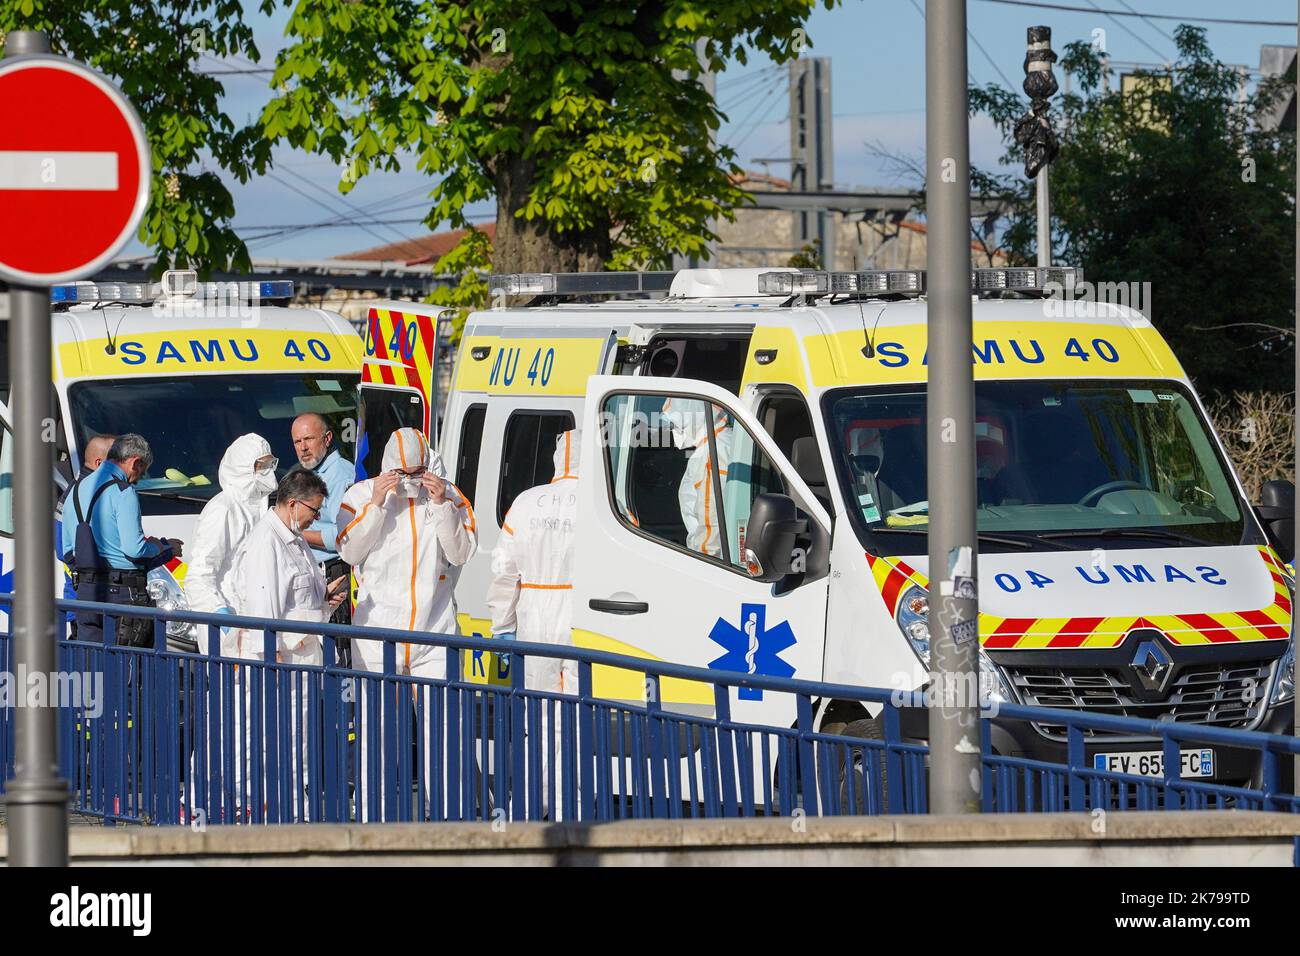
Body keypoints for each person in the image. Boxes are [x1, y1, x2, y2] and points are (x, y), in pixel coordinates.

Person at [336, 427, 477, 819]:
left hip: (435, 630)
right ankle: (371, 818)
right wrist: (379, 504)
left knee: (444, 732)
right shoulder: (361, 495)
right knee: (376, 734)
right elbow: (349, 550)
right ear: (387, 468)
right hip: (379, 629)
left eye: (417, 472)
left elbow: (462, 552)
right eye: (403, 474)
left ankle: (450, 820)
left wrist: (442, 504)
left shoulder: (449, 494)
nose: (410, 482)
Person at [228, 470, 346, 817]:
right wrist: (273, 661)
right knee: (288, 741)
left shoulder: (291, 538)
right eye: (314, 509)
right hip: (284, 662)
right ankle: (285, 812)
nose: (316, 517)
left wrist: (323, 600)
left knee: (299, 741)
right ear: (293, 503)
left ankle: (295, 809)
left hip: (301, 656)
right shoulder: (267, 541)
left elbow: (297, 598)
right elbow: (265, 609)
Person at [485, 429, 582, 817]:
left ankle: (530, 805)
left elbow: (504, 572)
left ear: (558, 458)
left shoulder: (525, 503)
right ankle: (566, 810)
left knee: (538, 717)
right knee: (575, 717)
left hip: (533, 615)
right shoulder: (604, 505)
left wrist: (502, 627)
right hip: (579, 615)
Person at [60, 434, 182, 646]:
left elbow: (68, 552)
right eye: (141, 472)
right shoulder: (124, 492)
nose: (138, 478)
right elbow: (134, 550)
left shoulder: (75, 490)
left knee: (92, 669)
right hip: (123, 599)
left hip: (85, 597)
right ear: (134, 462)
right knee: (128, 672)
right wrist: (161, 546)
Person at [184, 434, 278, 654]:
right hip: (227, 624)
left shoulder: (261, 508)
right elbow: (199, 574)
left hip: (253, 620)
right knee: (232, 687)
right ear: (242, 467)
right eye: (262, 465)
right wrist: (220, 615)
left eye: (271, 464)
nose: (269, 471)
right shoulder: (224, 508)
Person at [290, 413, 355, 623]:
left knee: (335, 650)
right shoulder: (302, 474)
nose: (303, 447)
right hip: (309, 573)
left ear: (327, 439)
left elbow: (346, 534)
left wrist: (297, 534)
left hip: (334, 572)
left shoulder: (341, 474)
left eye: (308, 439)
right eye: (297, 442)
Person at [665, 401, 732, 557]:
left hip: (713, 557)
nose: (673, 429)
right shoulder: (718, 443)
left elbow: (713, 518)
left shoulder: (713, 452)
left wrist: (705, 559)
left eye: (676, 422)